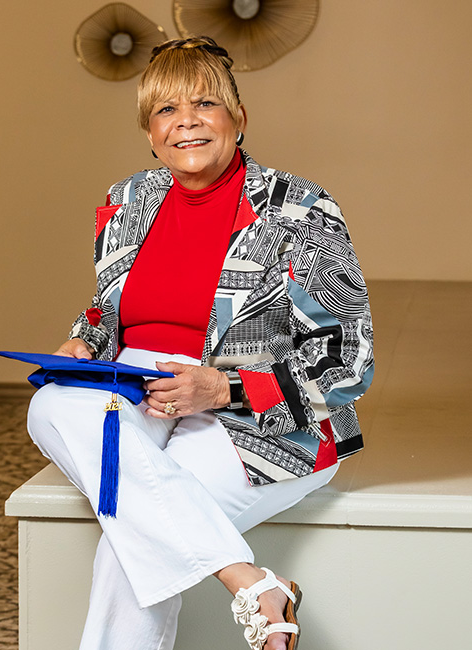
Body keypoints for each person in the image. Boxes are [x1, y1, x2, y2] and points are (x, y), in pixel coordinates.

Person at [27, 37, 374, 650]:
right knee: (50, 405)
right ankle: (253, 583)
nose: (185, 121)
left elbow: (349, 362)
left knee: (130, 545)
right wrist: (83, 341)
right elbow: (108, 310)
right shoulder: (127, 201)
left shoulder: (300, 210)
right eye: (164, 110)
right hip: (137, 385)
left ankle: (257, 590)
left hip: (259, 421)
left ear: (238, 120)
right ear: (149, 131)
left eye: (205, 103)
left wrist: (223, 386)